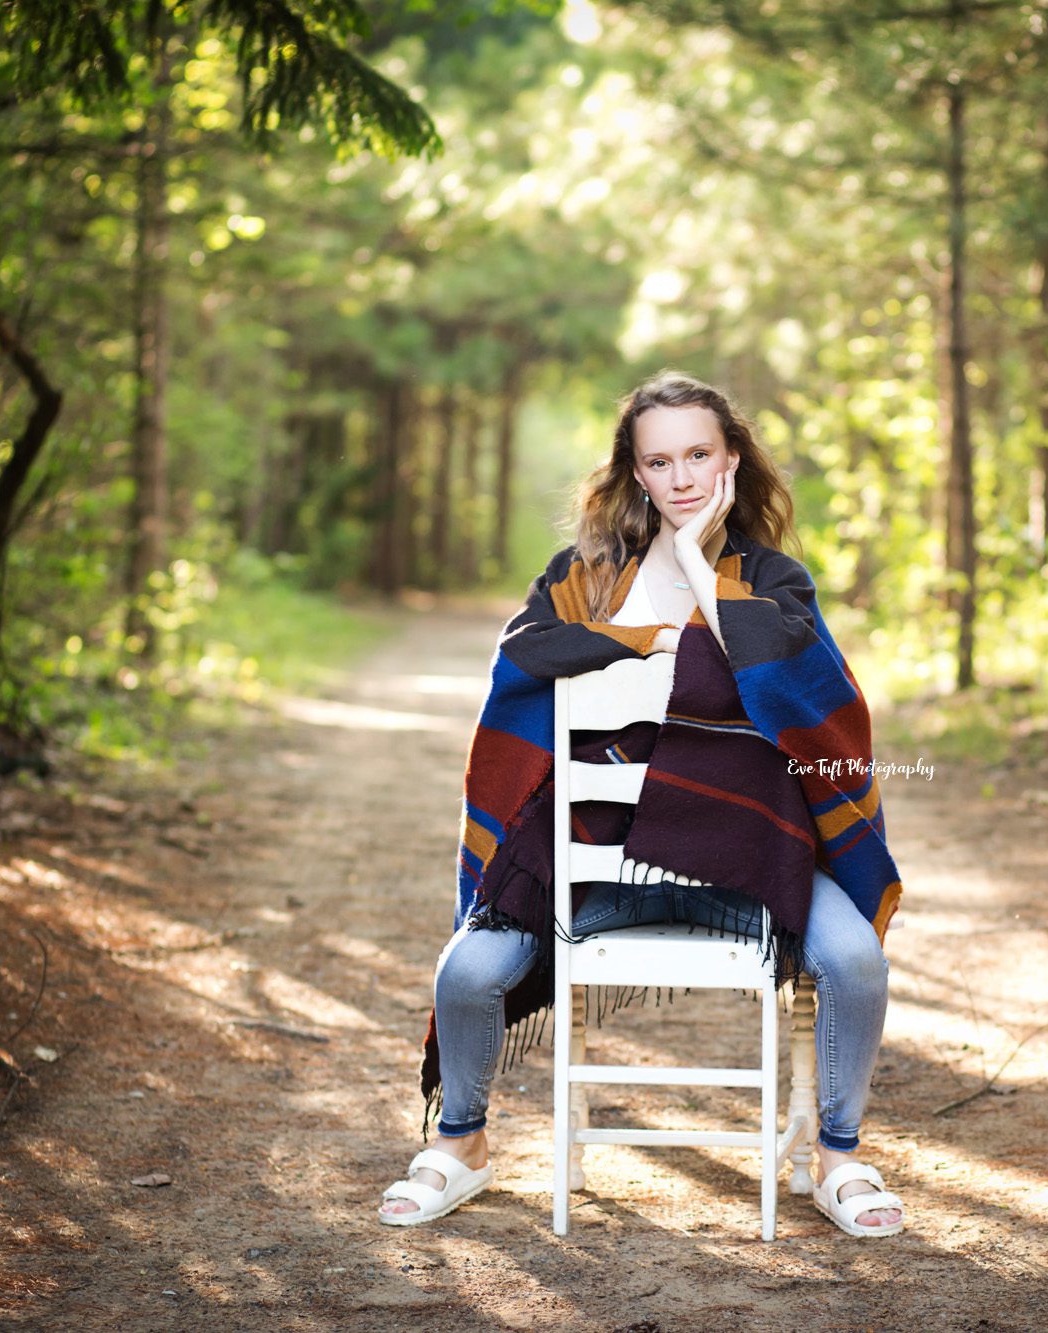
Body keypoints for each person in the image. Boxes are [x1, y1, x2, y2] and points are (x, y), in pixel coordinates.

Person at [378, 372, 906, 1237]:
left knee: (856, 962)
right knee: (466, 971)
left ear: (731, 460)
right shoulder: (589, 577)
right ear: (636, 472)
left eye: (700, 455)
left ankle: (837, 1155)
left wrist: (695, 564)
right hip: (597, 861)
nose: (682, 477)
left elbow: (803, 689)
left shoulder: (775, 579)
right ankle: (461, 1142)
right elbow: (528, 654)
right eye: (660, 462)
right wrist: (653, 636)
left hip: (750, 863)